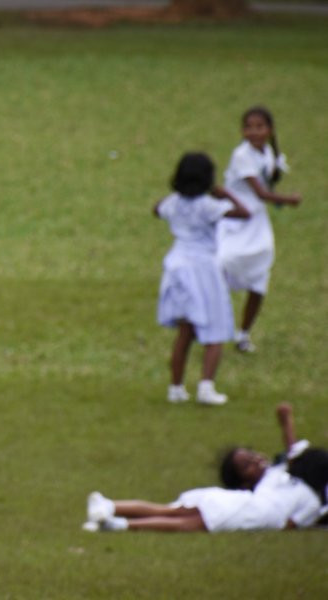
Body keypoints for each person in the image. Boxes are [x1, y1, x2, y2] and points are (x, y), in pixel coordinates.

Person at [84, 403, 325, 533]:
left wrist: (286, 420)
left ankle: (112, 511)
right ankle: (114, 514)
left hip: (246, 507)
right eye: (248, 461)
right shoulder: (283, 478)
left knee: (175, 513)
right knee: (182, 518)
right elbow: (292, 524)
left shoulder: (286, 479)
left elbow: (295, 453)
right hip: (250, 509)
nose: (257, 461)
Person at [154, 152, 250, 405]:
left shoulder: (173, 203)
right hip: (202, 269)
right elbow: (244, 212)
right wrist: (223, 192)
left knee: (185, 331)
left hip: (176, 266)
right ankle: (206, 387)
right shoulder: (208, 205)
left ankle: (175, 388)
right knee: (215, 328)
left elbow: (157, 209)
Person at [217, 106, 302, 353]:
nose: (253, 132)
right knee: (222, 263)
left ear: (270, 130)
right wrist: (289, 200)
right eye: (248, 127)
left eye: (260, 126)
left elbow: (268, 183)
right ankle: (214, 325)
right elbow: (261, 193)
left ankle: (243, 334)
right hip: (235, 218)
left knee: (259, 277)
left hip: (256, 223)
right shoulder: (242, 155)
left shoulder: (268, 154)